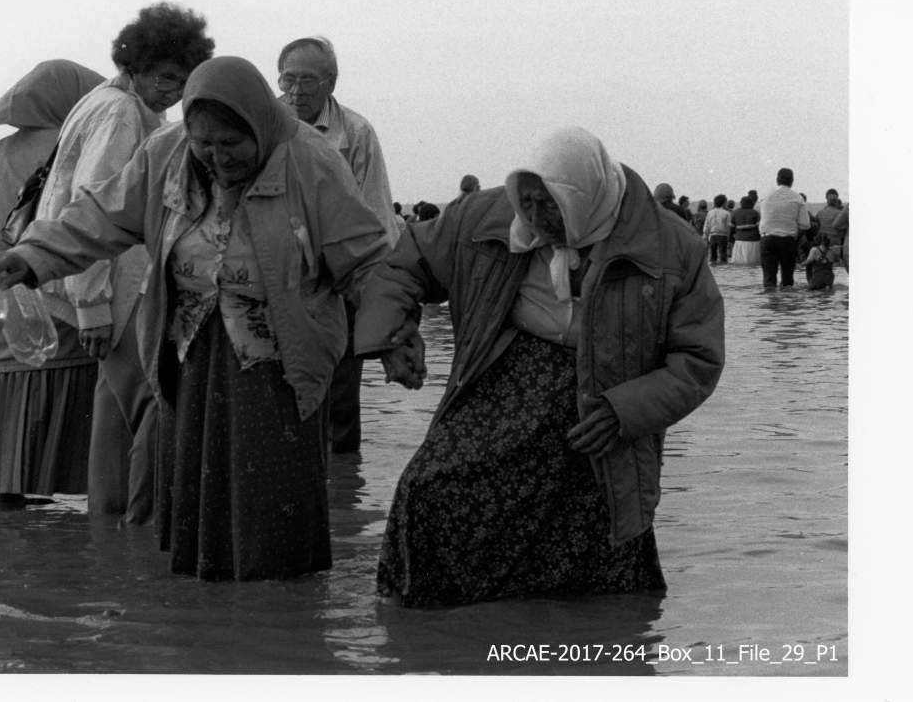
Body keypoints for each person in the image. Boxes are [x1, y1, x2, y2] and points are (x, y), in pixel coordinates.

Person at [0, 56, 393, 581]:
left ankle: (282, 611)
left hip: (282, 361)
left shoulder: (310, 161)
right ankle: (203, 609)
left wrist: (392, 337)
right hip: (189, 353)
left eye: (232, 143)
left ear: (259, 126)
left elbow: (363, 258)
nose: (219, 157)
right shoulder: (165, 152)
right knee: (196, 494)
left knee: (274, 509)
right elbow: (100, 216)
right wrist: (34, 255)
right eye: (206, 143)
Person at [355, 126, 725, 608]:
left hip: (602, 411)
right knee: (428, 490)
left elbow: (698, 359)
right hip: (501, 384)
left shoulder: (672, 248)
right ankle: (428, 634)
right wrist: (394, 334)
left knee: (601, 543)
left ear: (582, 197)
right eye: (525, 202)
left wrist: (625, 412)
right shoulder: (482, 218)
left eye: (549, 205)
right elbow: (407, 264)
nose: (533, 217)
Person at [34, 3, 215, 521]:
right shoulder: (120, 114)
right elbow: (93, 209)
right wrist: (92, 305)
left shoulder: (105, 102)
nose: (172, 91)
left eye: (181, 81)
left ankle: (110, 529)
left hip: (99, 283)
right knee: (155, 401)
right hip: (110, 288)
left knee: (114, 409)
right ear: (134, 66)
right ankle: (145, 525)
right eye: (164, 77)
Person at [0, 59, 107, 506]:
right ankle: (72, 538)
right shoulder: (79, 145)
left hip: (1, 296)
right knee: (72, 431)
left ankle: (5, 521)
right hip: (61, 300)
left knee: (8, 430)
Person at [277, 35, 397, 456]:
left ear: (331, 82)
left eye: (307, 80)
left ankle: (343, 487)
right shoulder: (265, 125)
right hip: (278, 281)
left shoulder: (356, 133)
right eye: (288, 78)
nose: (296, 91)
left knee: (339, 398)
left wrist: (379, 300)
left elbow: (377, 216)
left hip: (338, 281)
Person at [758, 168, 810, 288]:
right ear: (792, 181)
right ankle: (787, 299)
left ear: (777, 180)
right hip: (787, 240)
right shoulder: (797, 198)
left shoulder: (765, 196)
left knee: (769, 279)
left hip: (767, 239)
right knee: (787, 280)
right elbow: (805, 224)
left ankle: (770, 298)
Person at [730, 195, 762, 265]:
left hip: (739, 240)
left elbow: (732, 228)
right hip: (754, 240)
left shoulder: (736, 212)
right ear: (752, 203)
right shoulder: (755, 212)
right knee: (753, 263)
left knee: (739, 263)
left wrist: (731, 240)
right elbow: (759, 228)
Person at [703, 196, 732, 263]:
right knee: (723, 256)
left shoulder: (710, 213)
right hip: (723, 236)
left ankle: (713, 268)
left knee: (713, 256)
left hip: (712, 236)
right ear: (724, 203)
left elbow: (707, 225)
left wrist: (705, 236)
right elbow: (728, 227)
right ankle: (723, 268)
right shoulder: (726, 213)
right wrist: (729, 239)